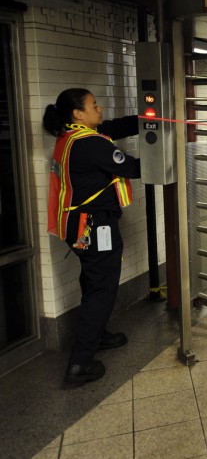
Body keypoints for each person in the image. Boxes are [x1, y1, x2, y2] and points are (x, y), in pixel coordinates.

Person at [43, 88, 141, 385]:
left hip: (76, 225)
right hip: (95, 228)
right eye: (94, 105)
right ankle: (79, 364)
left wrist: (151, 118)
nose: (100, 109)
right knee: (102, 288)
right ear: (78, 114)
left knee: (92, 280)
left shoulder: (68, 136)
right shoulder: (89, 144)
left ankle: (97, 336)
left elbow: (113, 126)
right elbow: (134, 167)